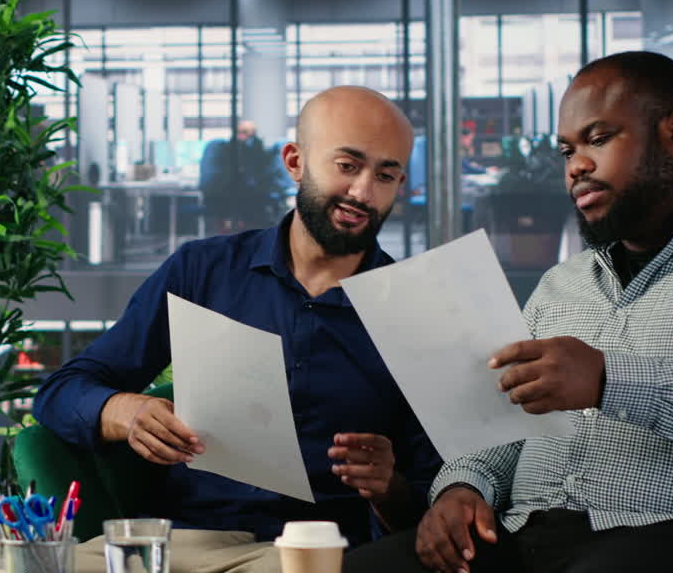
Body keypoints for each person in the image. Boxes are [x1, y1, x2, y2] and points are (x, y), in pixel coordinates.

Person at [344, 50, 673, 573]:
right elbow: (502, 425)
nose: (575, 166)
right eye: (566, 150)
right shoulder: (561, 284)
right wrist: (463, 487)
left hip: (664, 536)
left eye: (598, 139)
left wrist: (608, 379)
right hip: (516, 536)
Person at [35, 86, 443, 573]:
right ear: (295, 162)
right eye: (347, 166)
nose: (363, 192)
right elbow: (62, 391)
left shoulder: (413, 314)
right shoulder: (203, 270)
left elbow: (432, 502)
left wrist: (387, 487)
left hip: (310, 550)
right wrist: (126, 411)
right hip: (183, 541)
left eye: (386, 175)